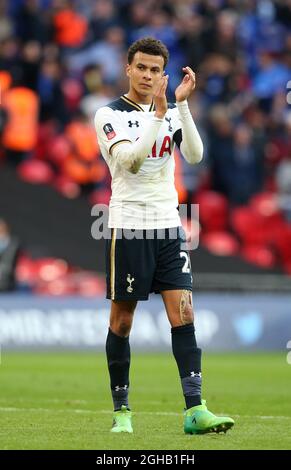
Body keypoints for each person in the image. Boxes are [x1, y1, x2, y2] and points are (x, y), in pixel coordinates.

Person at [94, 37, 234, 435]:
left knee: (184, 313)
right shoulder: (109, 114)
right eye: (141, 68)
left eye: (155, 70)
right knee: (122, 321)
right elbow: (130, 161)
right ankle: (122, 412)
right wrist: (158, 115)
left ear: (164, 73)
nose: (148, 75)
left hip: (169, 225)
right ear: (128, 68)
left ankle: (195, 410)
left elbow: (193, 156)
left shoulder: (171, 112)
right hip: (129, 225)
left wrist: (182, 106)